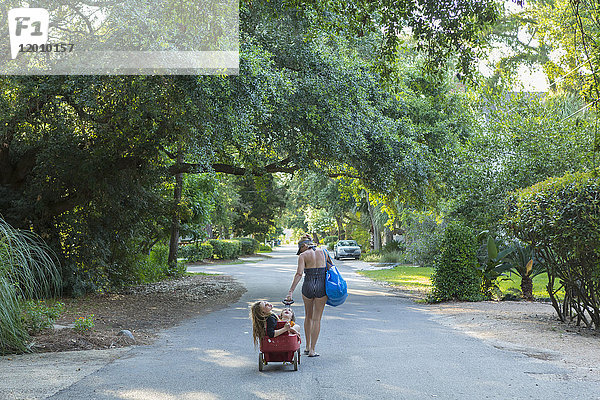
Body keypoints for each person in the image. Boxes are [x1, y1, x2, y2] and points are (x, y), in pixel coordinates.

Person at [286, 234, 329, 357]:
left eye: (301, 248)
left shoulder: (303, 256)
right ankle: (312, 350)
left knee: (308, 317)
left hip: (308, 285)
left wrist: (291, 291)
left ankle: (307, 346)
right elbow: (329, 268)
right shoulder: (324, 252)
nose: (301, 251)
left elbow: (299, 274)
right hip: (321, 285)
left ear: (304, 246)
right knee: (317, 319)